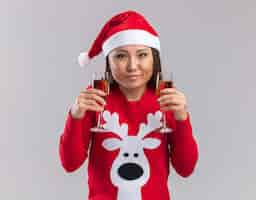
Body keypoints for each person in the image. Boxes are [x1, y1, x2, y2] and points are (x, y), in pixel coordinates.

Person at [59, 10, 199, 200]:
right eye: (121, 56)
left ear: (154, 58)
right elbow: (70, 163)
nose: (133, 66)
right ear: (108, 60)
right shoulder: (96, 99)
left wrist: (182, 118)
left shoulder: (167, 101)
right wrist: (75, 116)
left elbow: (185, 168)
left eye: (142, 55)